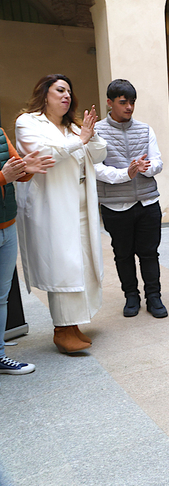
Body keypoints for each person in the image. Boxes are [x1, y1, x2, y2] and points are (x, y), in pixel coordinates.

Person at [15, 74, 106, 354]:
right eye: (59, 90)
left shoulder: (73, 127)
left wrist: (88, 136)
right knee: (63, 265)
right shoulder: (28, 122)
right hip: (53, 207)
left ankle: (74, 324)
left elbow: (100, 153)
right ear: (44, 95)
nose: (66, 95)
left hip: (81, 205)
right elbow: (44, 154)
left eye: (69, 91)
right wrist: (81, 141)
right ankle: (61, 330)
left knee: (82, 263)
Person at [95, 79, 167, 319]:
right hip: (115, 205)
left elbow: (157, 161)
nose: (129, 107)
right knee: (123, 254)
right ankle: (131, 296)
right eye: (123, 102)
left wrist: (145, 168)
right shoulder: (96, 131)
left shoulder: (145, 129)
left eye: (132, 102)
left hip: (147, 202)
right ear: (109, 102)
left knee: (149, 253)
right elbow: (96, 169)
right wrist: (126, 173)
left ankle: (154, 297)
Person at [0, 125, 53, 373]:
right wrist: (2, 178)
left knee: (2, 297)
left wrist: (26, 169)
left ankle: (0, 354)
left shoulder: (0, 132)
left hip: (7, 223)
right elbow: (5, 175)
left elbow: (16, 169)